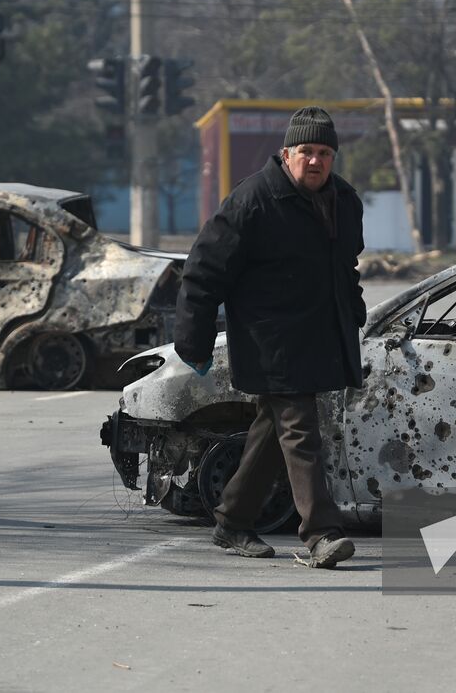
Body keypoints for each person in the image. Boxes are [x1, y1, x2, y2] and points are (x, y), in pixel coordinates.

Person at [175, 106, 367, 569]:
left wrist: (354, 312)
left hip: (319, 335)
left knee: (271, 430)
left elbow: (346, 267)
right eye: (306, 152)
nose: (316, 161)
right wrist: (194, 340)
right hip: (271, 339)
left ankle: (232, 520)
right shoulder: (254, 199)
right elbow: (204, 270)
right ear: (287, 153)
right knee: (301, 431)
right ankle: (321, 531)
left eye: (324, 153)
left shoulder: (344, 200)